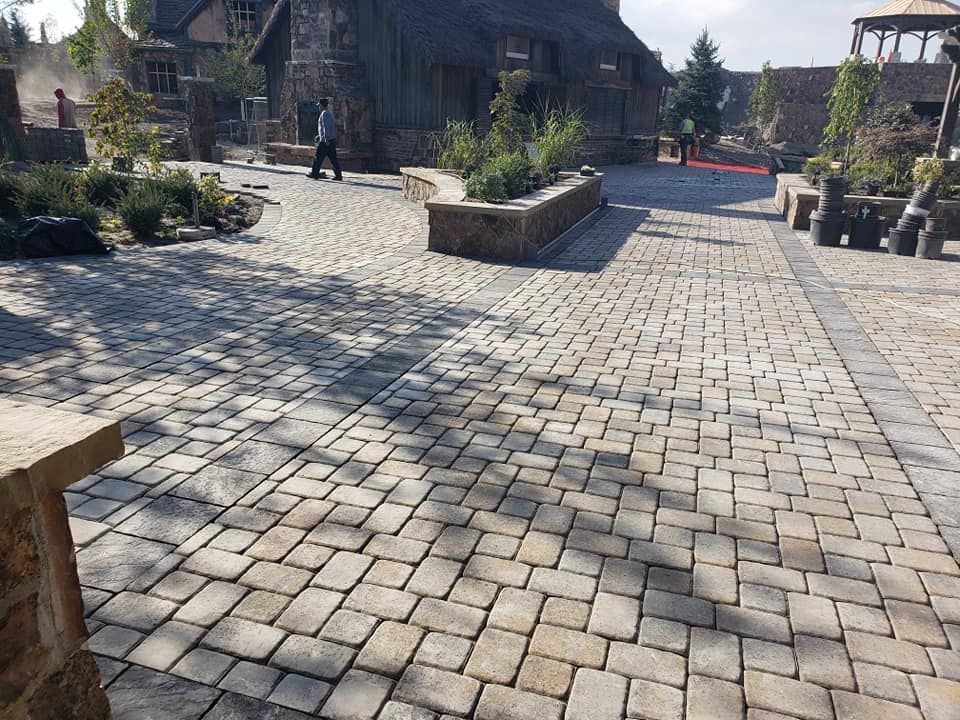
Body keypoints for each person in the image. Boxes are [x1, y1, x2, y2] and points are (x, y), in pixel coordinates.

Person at [307, 98, 343, 181]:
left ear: (322, 105)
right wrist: (320, 135)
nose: (319, 107)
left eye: (319, 105)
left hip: (325, 141)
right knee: (333, 159)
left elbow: (325, 127)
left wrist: (325, 138)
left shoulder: (324, 114)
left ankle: (314, 173)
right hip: (331, 139)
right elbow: (327, 128)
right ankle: (338, 175)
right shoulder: (329, 113)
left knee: (318, 158)